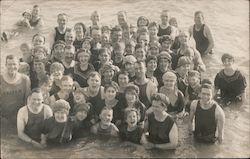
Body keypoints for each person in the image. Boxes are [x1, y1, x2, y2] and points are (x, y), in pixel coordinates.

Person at [0, 55, 31, 125]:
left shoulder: (25, 79)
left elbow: (27, 100)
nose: (12, 67)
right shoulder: (0, 79)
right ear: (5, 65)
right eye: (9, 64)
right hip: (3, 118)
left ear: (19, 65)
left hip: (20, 117)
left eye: (14, 64)